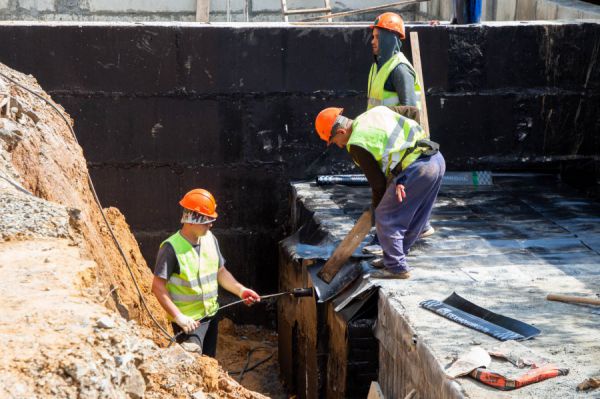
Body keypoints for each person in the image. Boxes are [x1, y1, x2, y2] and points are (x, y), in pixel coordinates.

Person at [314, 106, 445, 279]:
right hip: (435, 159)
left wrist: (377, 209)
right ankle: (392, 259)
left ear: (341, 131)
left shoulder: (357, 144)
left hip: (414, 170)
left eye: (334, 141)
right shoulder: (375, 112)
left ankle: (397, 268)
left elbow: (377, 184)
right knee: (417, 216)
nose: (338, 145)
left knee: (386, 217)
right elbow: (412, 111)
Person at [152, 188, 261, 356]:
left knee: (208, 361)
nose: (211, 225)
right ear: (191, 219)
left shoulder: (210, 239)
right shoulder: (171, 248)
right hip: (189, 323)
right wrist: (178, 317)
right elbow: (158, 287)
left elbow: (221, 272)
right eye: (206, 221)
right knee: (191, 364)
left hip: (211, 315)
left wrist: (241, 290)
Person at [368, 12, 435, 238]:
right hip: (383, 141)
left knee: (396, 189)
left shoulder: (399, 69)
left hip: (398, 143)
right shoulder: (378, 67)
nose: (373, 42)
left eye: (377, 37)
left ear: (389, 38)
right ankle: (405, 229)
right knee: (390, 190)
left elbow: (410, 110)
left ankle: (394, 235)